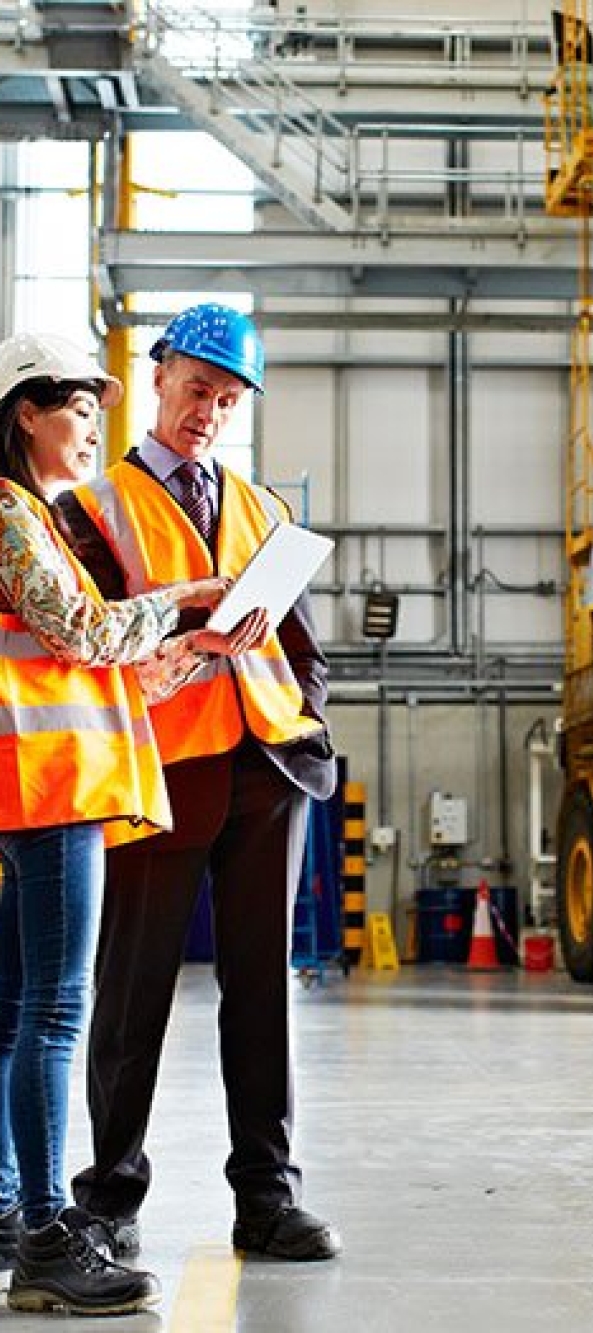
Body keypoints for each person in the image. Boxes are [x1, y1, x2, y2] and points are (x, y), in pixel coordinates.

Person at [56, 303, 340, 1263]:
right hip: (161, 770)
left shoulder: (265, 509)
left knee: (264, 990)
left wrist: (309, 716)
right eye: (196, 389)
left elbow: (304, 646)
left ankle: (267, 1197)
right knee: (132, 989)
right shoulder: (91, 510)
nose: (208, 412)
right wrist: (188, 640)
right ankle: (108, 1199)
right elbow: (88, 649)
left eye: (228, 398)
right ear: (159, 374)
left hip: (267, 767)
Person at [0, 331, 260, 1315]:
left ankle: (10, 1212)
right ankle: (40, 1237)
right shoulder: (14, 516)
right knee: (53, 1012)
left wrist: (180, 638)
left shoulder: (34, 516)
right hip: (52, 783)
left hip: (39, 779)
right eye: (76, 408)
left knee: (18, 1007)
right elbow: (85, 631)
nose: (90, 426)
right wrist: (186, 601)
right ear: (26, 409)